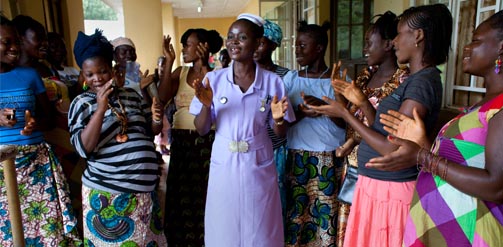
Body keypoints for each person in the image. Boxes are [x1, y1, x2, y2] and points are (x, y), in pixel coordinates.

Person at [309, 4, 452, 246]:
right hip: (377, 186)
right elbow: (384, 129)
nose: (394, 41)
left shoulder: (422, 83)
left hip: (392, 191)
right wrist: (362, 103)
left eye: (399, 33)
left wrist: (345, 113)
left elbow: (394, 148)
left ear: (418, 36)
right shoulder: (415, 80)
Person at [366, 10, 503, 247]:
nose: (467, 48)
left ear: (501, 47)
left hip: (468, 228)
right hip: (443, 221)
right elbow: (466, 162)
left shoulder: (500, 107)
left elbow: (496, 186)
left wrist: (422, 156)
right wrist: (424, 146)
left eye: (476, 41)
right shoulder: (482, 105)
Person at [190, 13, 295, 246]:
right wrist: (207, 106)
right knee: (224, 226)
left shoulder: (272, 82)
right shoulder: (213, 80)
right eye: (231, 37)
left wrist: (278, 119)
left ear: (258, 43)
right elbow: (202, 129)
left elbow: (280, 132)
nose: (234, 42)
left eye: (242, 37)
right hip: (224, 163)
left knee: (261, 228)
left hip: (259, 163)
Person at [68, 29, 166, 246]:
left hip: (144, 196)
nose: (97, 79)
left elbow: (150, 131)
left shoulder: (131, 95)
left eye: (102, 71)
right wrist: (101, 107)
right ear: (83, 75)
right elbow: (83, 148)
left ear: (111, 70)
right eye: (90, 74)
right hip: (109, 197)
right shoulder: (81, 103)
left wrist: (157, 119)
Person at [0, 15, 81, 246]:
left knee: (46, 232)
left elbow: (48, 119)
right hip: (1, 168)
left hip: (37, 163)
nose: (15, 48)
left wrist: (34, 122)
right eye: (6, 43)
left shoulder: (30, 75)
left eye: (15, 40)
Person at [331, 11, 409, 246]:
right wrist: (339, 95)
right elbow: (347, 122)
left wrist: (361, 104)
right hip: (352, 166)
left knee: (371, 232)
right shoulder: (365, 77)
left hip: (377, 172)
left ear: (388, 44)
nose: (365, 48)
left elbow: (387, 135)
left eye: (369, 43)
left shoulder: (402, 83)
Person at [282, 20, 347, 246]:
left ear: (319, 48)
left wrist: (324, 107)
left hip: (329, 158)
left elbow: (346, 124)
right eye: (296, 46)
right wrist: (301, 112)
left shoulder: (338, 80)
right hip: (297, 156)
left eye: (303, 45)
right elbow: (282, 121)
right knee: (296, 214)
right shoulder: (290, 79)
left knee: (324, 216)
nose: (297, 50)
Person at [158, 28, 222, 246]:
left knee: (207, 196)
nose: (184, 48)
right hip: (183, 143)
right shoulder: (180, 73)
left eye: (188, 44)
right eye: (184, 44)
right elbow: (162, 96)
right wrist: (169, 61)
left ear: (203, 46)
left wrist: (204, 66)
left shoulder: (219, 73)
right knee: (181, 196)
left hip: (208, 142)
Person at [253, 18, 290, 224]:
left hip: (276, 149)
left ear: (274, 45)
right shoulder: (244, 77)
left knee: (275, 201)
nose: (257, 46)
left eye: (262, 42)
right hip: (250, 150)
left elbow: (288, 119)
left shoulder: (284, 76)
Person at [46, 32, 81, 100]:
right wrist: (79, 84)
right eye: (54, 47)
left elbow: (85, 88)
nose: (59, 50)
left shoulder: (73, 70)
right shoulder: (47, 73)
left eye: (62, 47)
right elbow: (62, 95)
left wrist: (84, 83)